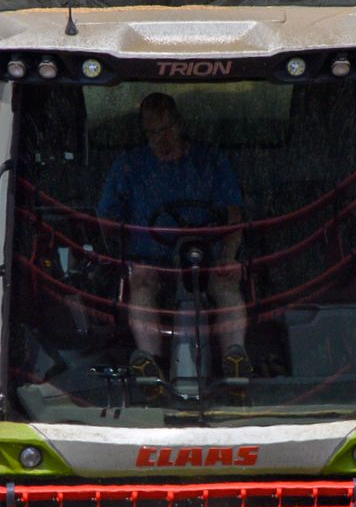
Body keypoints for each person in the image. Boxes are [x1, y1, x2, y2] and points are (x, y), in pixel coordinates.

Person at [97, 93, 251, 390]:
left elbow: (234, 214)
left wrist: (229, 257)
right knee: (140, 281)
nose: (160, 139)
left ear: (179, 125)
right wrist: (121, 257)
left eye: (165, 130)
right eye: (152, 132)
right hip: (153, 261)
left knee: (226, 281)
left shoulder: (210, 162)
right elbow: (106, 219)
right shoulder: (129, 166)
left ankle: (235, 357)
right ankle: (149, 363)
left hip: (206, 258)